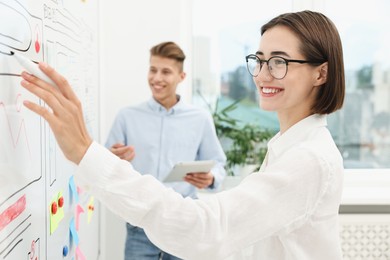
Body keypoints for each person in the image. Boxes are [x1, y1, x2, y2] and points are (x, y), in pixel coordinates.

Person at [20, 10, 345, 260]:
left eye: (278, 62)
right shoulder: (289, 146)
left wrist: (85, 153)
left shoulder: (308, 159)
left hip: (178, 222)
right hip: (145, 227)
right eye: (258, 61)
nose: (261, 74)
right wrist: (101, 156)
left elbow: (206, 227)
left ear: (321, 72)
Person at [105, 41, 227, 260]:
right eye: (153, 70)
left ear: (181, 77)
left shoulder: (199, 118)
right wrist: (113, 159)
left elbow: (218, 163)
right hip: (139, 225)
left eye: (166, 72)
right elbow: (104, 165)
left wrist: (210, 178)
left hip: (183, 224)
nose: (156, 78)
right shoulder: (127, 116)